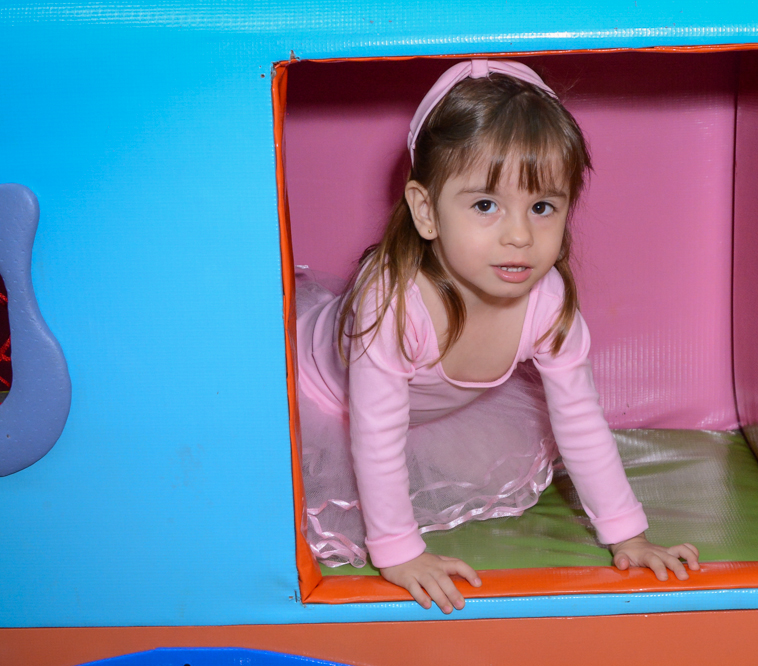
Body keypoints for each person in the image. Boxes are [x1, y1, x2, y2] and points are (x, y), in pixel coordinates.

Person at [295, 59, 699, 613]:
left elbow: (580, 419)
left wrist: (629, 536)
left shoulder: (547, 300)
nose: (518, 235)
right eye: (485, 205)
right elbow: (376, 431)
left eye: (542, 207)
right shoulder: (393, 304)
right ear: (426, 210)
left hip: (430, 414)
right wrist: (399, 551)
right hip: (311, 394)